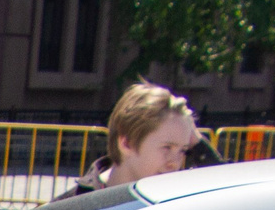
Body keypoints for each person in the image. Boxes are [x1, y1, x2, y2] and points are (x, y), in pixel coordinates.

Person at [72, 82, 200, 194]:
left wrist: (198, 141)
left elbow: (219, 199)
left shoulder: (175, 204)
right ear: (127, 143)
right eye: (167, 147)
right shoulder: (72, 208)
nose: (175, 163)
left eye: (183, 150)